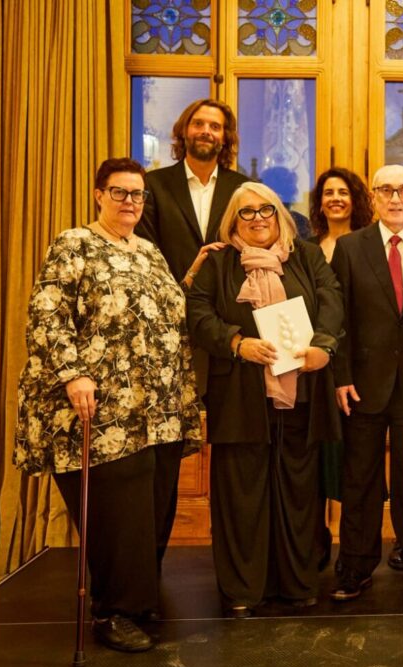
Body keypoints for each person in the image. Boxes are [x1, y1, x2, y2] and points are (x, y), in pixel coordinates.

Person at [14, 158, 203, 653]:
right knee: (117, 513)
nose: (130, 202)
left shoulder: (149, 253)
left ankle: (139, 601)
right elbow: (46, 312)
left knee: (153, 509)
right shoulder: (74, 243)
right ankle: (112, 611)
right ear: (99, 195)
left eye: (138, 195)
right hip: (103, 413)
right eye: (120, 192)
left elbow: (160, 313)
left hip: (157, 410)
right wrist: (73, 373)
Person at [186, 181, 343, 617]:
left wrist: (323, 346)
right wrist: (237, 343)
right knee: (242, 493)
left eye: (266, 211)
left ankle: (297, 583)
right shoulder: (218, 262)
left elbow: (332, 301)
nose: (258, 219)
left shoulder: (307, 256)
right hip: (240, 394)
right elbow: (197, 315)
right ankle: (243, 589)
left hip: (302, 394)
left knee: (298, 490)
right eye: (247, 212)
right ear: (233, 220)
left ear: (280, 215)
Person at [135, 98, 249, 568]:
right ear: (184, 132)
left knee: (231, 454)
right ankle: (148, 570)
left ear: (226, 137)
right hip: (164, 341)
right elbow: (141, 255)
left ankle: (236, 565)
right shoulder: (152, 187)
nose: (207, 131)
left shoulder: (244, 190)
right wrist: (184, 280)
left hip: (228, 338)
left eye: (216, 126)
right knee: (162, 460)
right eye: (199, 124)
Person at [328, 165, 403, 601]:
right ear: (374, 198)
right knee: (359, 476)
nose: (395, 198)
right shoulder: (350, 247)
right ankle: (355, 566)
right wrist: (340, 377)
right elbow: (337, 319)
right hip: (362, 384)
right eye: (386, 190)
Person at [307, 167, 373, 263]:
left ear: (355, 201)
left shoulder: (368, 246)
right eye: (329, 193)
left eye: (343, 193)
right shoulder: (309, 247)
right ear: (320, 202)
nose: (335, 198)